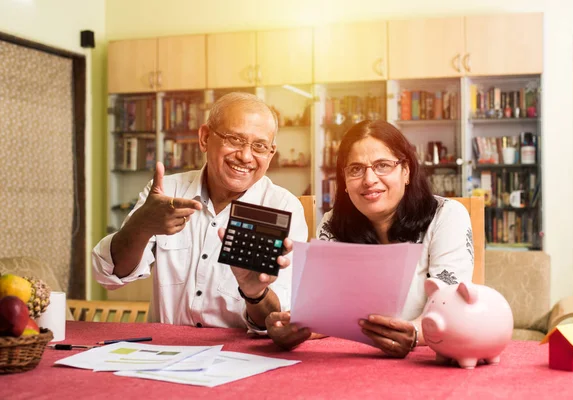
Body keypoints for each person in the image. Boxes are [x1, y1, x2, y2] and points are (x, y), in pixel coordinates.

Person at [92, 92, 308, 332]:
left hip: (239, 358)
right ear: (205, 138)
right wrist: (139, 227)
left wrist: (255, 293)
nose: (246, 156)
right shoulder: (168, 191)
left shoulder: (282, 208)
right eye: (234, 139)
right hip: (163, 354)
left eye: (259, 146)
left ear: (271, 154)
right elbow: (108, 276)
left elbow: (277, 321)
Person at [266, 120, 473, 357]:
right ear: (343, 181)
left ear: (406, 171)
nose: (369, 180)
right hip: (348, 360)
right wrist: (297, 328)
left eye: (382, 165)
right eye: (356, 169)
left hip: (424, 359)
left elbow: (451, 308)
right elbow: (328, 313)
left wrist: (415, 333)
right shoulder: (333, 223)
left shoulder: (447, 215)